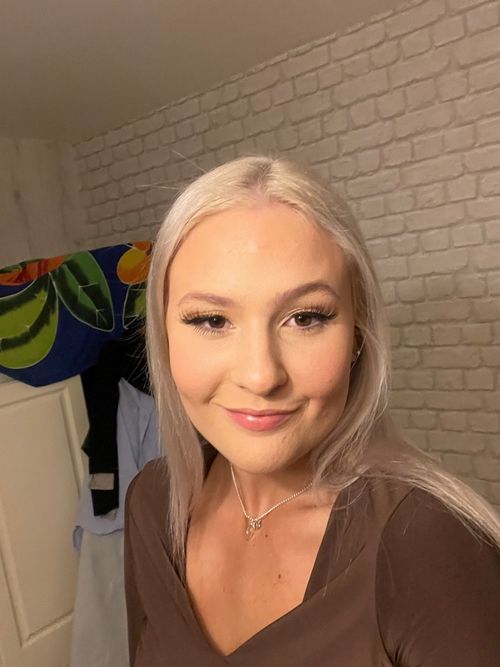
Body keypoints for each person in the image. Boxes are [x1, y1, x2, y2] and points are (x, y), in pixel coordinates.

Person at [124, 156, 500, 666]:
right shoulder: (152, 502)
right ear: (164, 335)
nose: (261, 375)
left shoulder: (426, 541)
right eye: (211, 320)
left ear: (358, 336)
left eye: (305, 318)